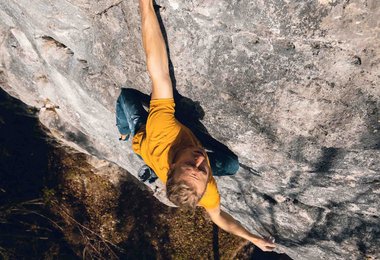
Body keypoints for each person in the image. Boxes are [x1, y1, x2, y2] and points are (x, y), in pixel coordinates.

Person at [115, 0, 276, 252]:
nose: (201, 160)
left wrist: (145, 5)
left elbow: (158, 70)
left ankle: (124, 131)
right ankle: (138, 142)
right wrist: (253, 238)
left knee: (126, 96)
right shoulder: (207, 190)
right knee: (231, 165)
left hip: (145, 139)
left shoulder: (161, 130)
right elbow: (220, 218)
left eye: (191, 165)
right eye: (204, 171)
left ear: (171, 168)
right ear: (206, 184)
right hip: (179, 140)